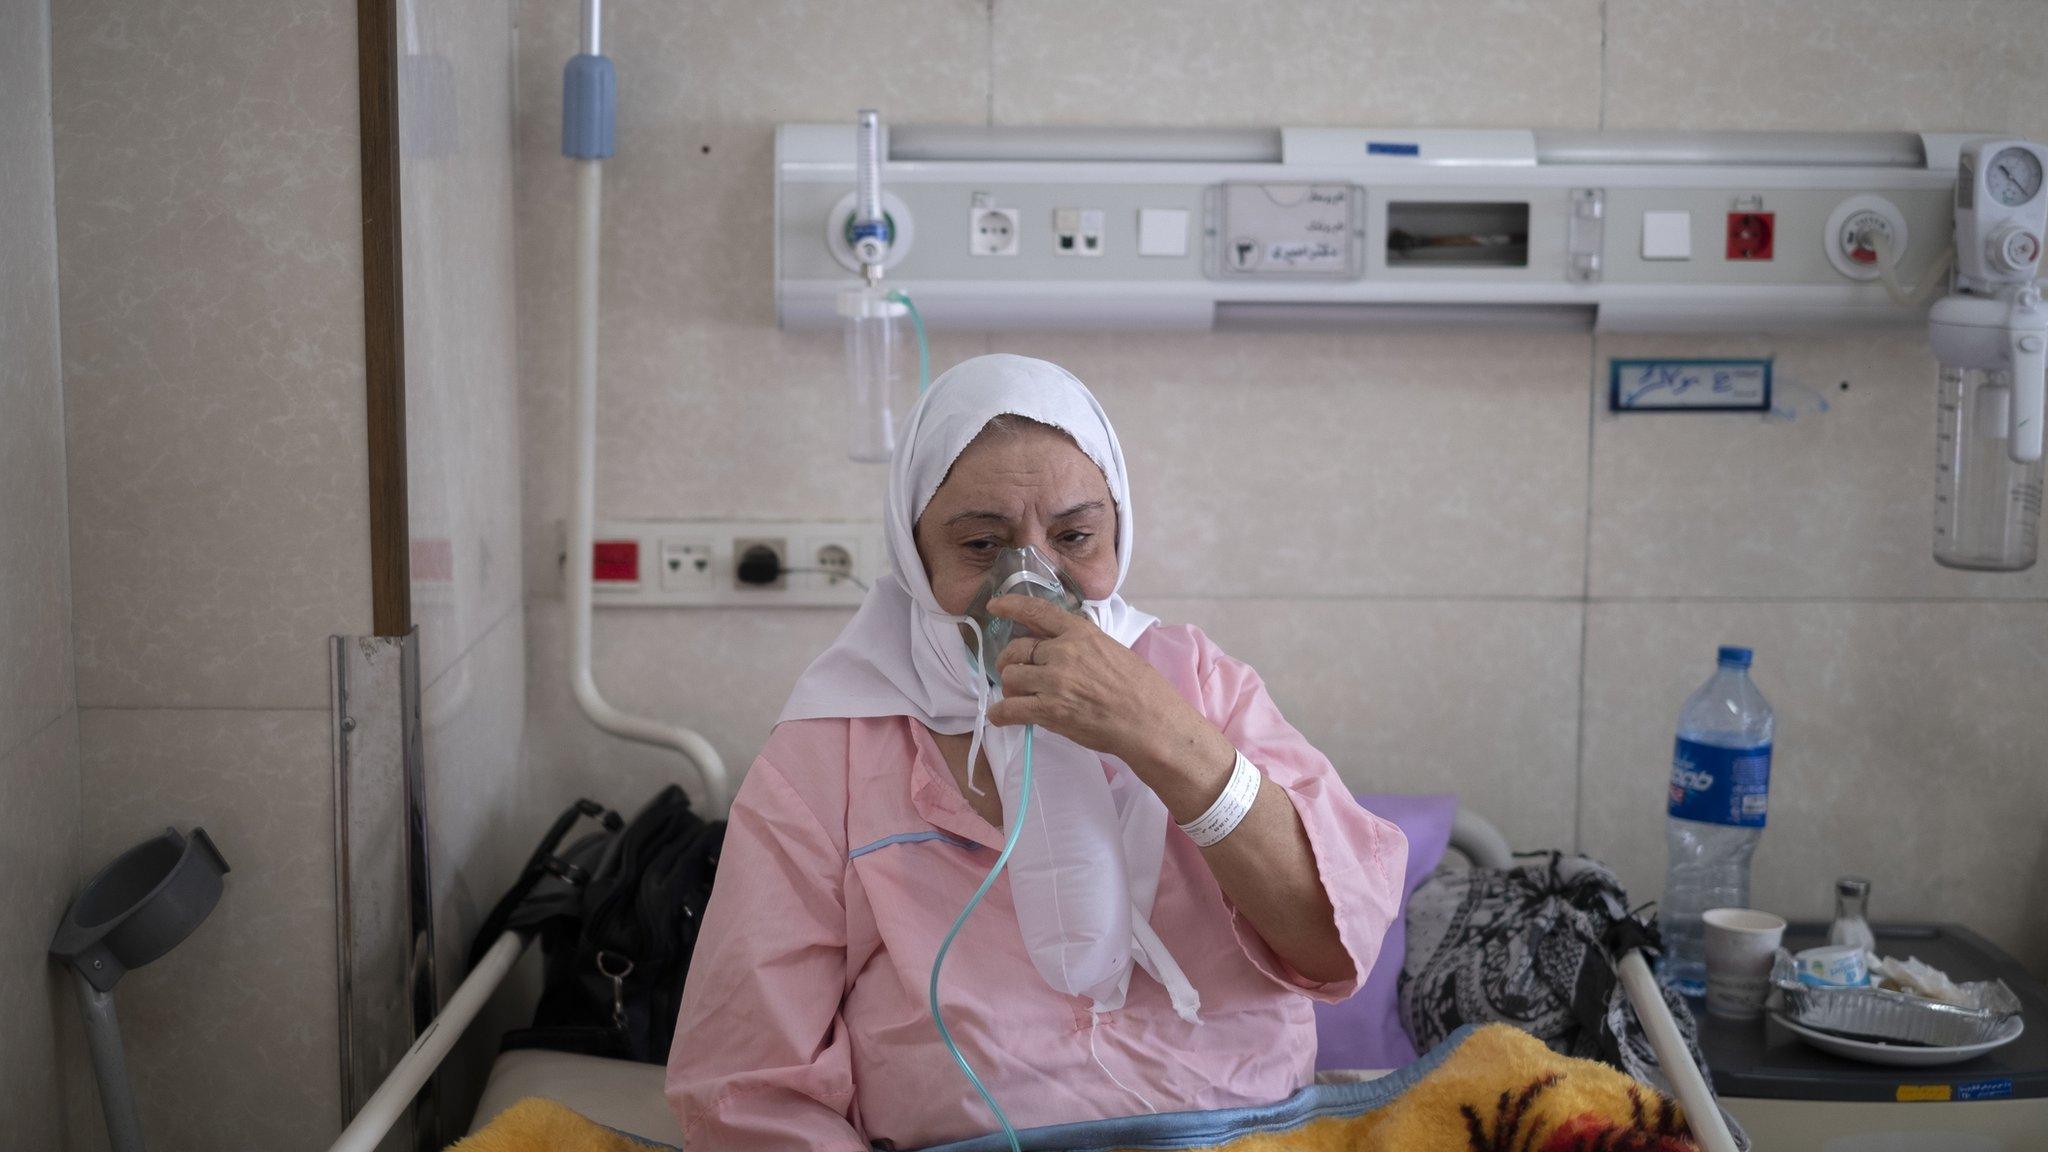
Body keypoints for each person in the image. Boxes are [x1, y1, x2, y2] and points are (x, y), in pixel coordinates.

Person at [667, 354, 1407, 1150]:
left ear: (1118, 534)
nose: (1029, 581)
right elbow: (743, 1087)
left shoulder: (1201, 685)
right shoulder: (835, 748)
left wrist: (1160, 736)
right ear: (915, 557)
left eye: (1074, 536)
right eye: (983, 544)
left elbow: (1333, 944)